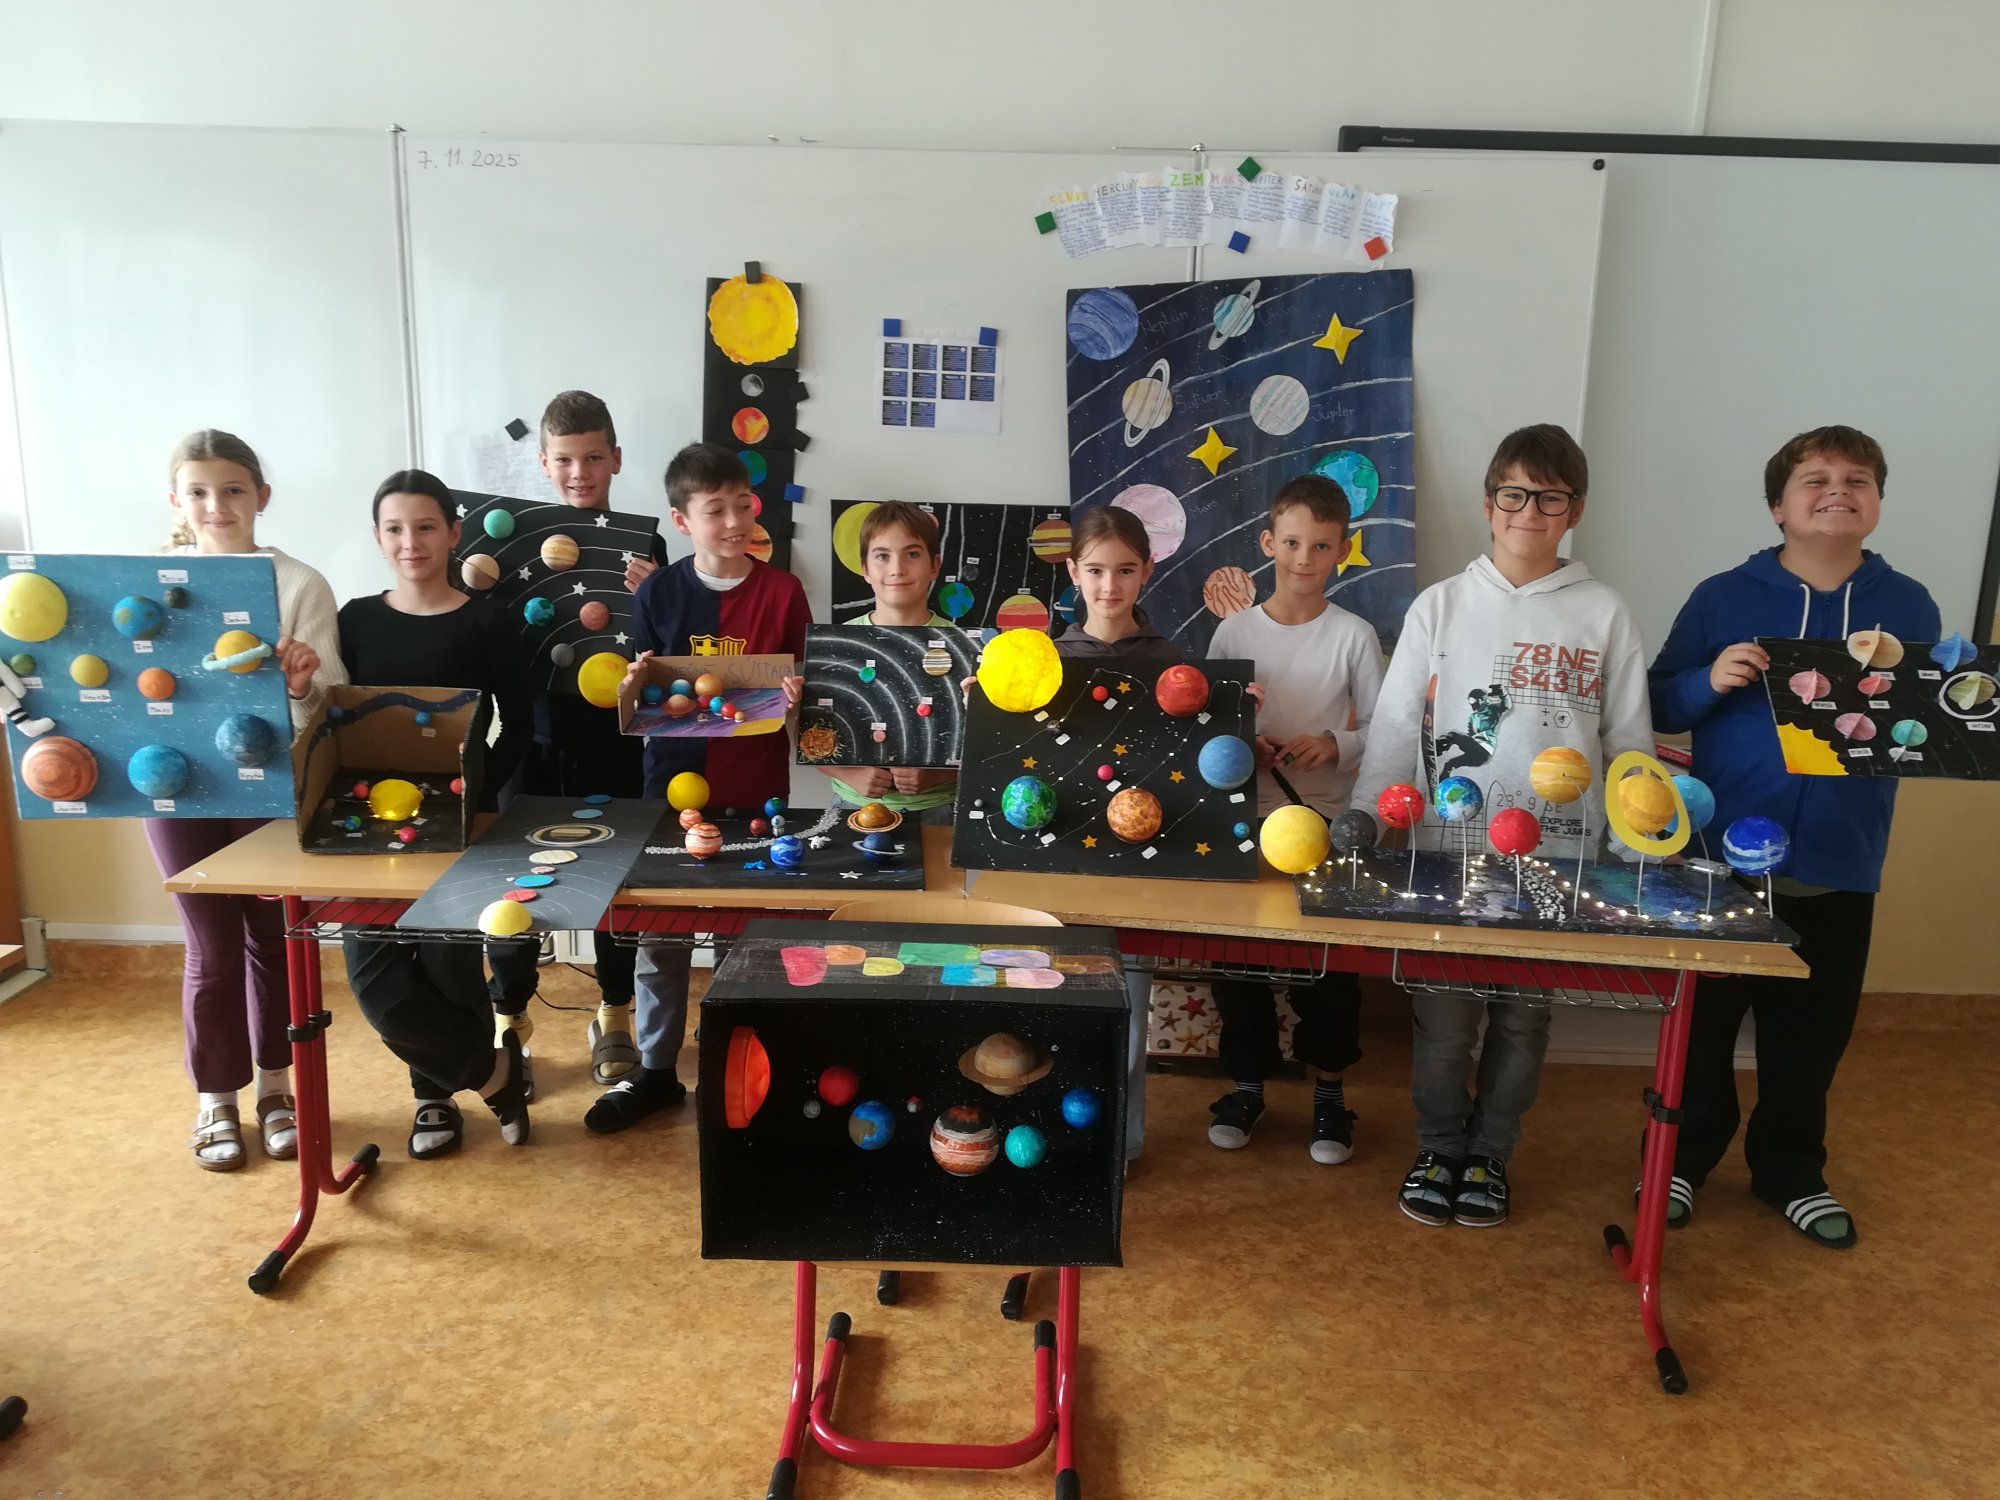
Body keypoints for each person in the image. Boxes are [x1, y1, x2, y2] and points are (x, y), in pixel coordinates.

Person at [1353, 424, 1653, 1227]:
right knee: (1444, 1023)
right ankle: (1438, 1147)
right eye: (1514, 494)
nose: (1529, 511)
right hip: (1446, 854)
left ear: (1574, 511)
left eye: (1549, 498)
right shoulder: (1440, 606)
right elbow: (1395, 727)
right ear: (1489, 505)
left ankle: (1490, 1154)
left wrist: (1633, 839)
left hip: (1559, 857)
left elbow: (1629, 738)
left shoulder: (1605, 612)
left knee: (1524, 1020)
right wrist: (1370, 816)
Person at [1648, 425, 1939, 1249]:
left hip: (1842, 859)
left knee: (1811, 1038)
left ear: (1877, 502)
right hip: (1717, 864)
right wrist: (1709, 680)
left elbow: (1915, 728)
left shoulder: (1910, 603)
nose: (1837, 490)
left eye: (1858, 479)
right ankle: (1678, 1160)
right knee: (1700, 1033)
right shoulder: (1722, 596)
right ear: (1778, 506)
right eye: (1816, 479)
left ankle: (1790, 1170)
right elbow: (1658, 701)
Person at [584, 444, 810, 1134]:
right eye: (716, 510)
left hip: (758, 788)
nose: (735, 522)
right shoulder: (657, 594)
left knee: (748, 938)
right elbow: (649, 699)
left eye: (743, 505)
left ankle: (738, 1069)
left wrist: (799, 701)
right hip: (673, 789)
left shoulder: (783, 592)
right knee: (661, 937)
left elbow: (804, 700)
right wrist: (631, 690)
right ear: (682, 521)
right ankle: (656, 1072)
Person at [145, 430, 346, 1171]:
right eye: (198, 492)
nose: (216, 505)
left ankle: (276, 1090)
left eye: (232, 490)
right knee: (210, 947)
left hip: (271, 788)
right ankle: (215, 1101)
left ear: (261, 496)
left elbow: (328, 709)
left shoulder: (297, 584)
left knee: (273, 939)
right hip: (179, 790)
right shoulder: (149, 585)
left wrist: (301, 686)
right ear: (176, 501)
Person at [335, 471, 533, 1157]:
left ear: (453, 532)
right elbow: (331, 718)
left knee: (450, 970)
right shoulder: (355, 620)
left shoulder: (487, 619)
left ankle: (433, 1097)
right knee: (377, 981)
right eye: (394, 529)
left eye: (425, 527)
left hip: (459, 823)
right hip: (364, 826)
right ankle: (495, 1074)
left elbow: (519, 724)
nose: (410, 542)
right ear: (378, 537)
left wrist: (477, 798)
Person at [486, 391, 668, 1091]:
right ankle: (509, 1021)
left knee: (613, 881)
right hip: (529, 739)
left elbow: (663, 657)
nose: (578, 473)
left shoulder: (644, 545)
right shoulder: (511, 547)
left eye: (593, 458)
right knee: (513, 887)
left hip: (611, 742)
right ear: (543, 463)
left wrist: (655, 596)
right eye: (564, 460)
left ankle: (614, 1010)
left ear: (616, 459)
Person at [1204, 475, 1384, 1163]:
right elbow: (1205, 725)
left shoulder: (1354, 636)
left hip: (1325, 821)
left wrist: (1336, 744)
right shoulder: (1233, 632)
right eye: (1291, 543)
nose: (1304, 558)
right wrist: (1242, 743)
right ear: (1267, 543)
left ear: (1341, 551)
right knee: (1238, 963)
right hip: (1243, 819)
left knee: (1331, 970)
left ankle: (1330, 1093)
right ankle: (1247, 1086)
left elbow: (1385, 728)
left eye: (1321, 546)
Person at [1050, 504, 1201, 1162]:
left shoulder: (1174, 664)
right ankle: (1061, 1138)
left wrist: (1229, 713)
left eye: (1125, 570)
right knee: (1058, 1004)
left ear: (1148, 571)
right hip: (1063, 863)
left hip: (1140, 868)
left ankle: (1121, 1146)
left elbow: (1190, 767)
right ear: (1072, 571)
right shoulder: (1045, 662)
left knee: (1130, 1012)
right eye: (1095, 570)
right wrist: (990, 705)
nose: (1109, 585)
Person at [813, 501, 959, 824]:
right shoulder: (838, 645)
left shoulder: (961, 647)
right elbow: (814, 737)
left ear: (934, 565)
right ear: (864, 568)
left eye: (912, 554)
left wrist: (935, 776)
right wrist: (850, 774)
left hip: (940, 809)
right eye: (882, 556)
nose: (897, 569)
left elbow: (983, 741)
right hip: (853, 805)